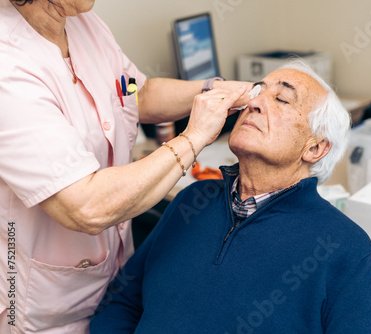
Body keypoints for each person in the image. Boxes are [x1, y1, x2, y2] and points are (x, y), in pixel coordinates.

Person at [0, 0, 251, 332]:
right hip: (43, 308)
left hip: (116, 287)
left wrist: (212, 90)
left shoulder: (85, 26)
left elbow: (136, 92)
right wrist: (193, 137)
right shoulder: (9, 65)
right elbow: (85, 206)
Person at [89, 61, 371, 333]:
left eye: (282, 99)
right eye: (257, 92)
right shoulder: (191, 201)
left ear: (315, 148)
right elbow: (121, 303)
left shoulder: (348, 252)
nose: (255, 102)